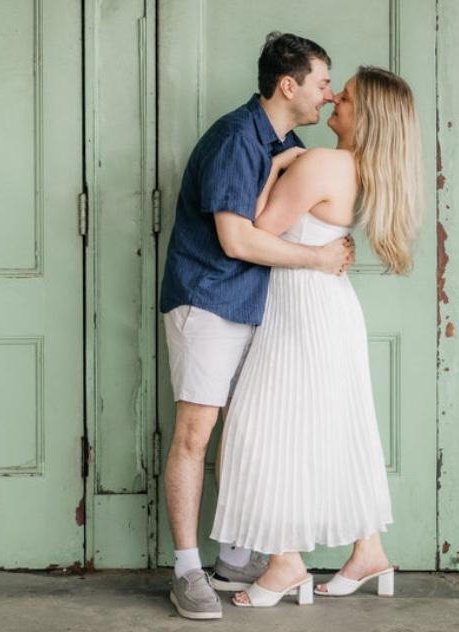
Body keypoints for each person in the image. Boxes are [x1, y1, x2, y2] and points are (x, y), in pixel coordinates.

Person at [210, 66, 423, 608]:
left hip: (300, 310)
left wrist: (277, 163)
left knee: (265, 430)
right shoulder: (364, 168)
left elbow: (255, 229)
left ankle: (284, 563)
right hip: (329, 309)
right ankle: (368, 550)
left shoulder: (321, 163)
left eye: (345, 97)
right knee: (335, 428)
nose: (334, 100)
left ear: (366, 115)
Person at [160, 32, 355, 621]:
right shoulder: (233, 139)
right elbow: (237, 238)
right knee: (195, 434)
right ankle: (187, 571)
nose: (327, 95)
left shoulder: (285, 143)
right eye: (322, 83)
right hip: (208, 302)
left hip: (254, 307)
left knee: (246, 434)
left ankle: (235, 558)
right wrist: (321, 259)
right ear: (288, 84)